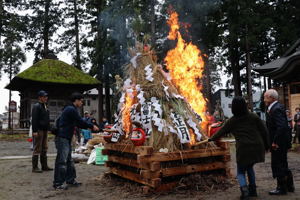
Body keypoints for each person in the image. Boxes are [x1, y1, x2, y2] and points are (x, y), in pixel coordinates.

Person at [208, 96, 269, 200]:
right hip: (256, 146)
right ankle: (253, 191)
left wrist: (211, 139)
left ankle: (244, 191)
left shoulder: (233, 120)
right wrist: (267, 145)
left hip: (243, 148)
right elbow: (264, 131)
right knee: (249, 167)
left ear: (234, 108)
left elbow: (221, 131)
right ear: (245, 106)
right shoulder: (253, 116)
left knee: (240, 171)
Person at [53, 92, 99, 190]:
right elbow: (80, 121)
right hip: (62, 137)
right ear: (76, 100)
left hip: (66, 137)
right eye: (81, 101)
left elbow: (79, 124)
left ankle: (70, 179)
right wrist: (91, 126)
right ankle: (58, 183)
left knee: (69, 160)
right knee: (62, 161)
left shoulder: (70, 108)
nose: (82, 103)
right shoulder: (71, 109)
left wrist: (90, 127)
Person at [264, 89, 295, 195]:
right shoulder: (277, 107)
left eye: (265, 97)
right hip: (282, 141)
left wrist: (275, 141)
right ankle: (289, 186)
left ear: (271, 98)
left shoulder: (276, 109)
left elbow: (281, 127)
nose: (264, 99)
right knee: (283, 162)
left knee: (278, 164)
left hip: (278, 142)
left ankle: (281, 188)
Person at [31, 90, 52, 173]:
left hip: (45, 129)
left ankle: (44, 166)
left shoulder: (45, 106)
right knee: (37, 148)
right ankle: (35, 167)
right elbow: (34, 119)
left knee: (44, 148)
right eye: (44, 96)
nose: (46, 98)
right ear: (39, 97)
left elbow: (46, 119)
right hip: (39, 129)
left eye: (46, 96)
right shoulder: (37, 106)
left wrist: (48, 128)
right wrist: (34, 130)